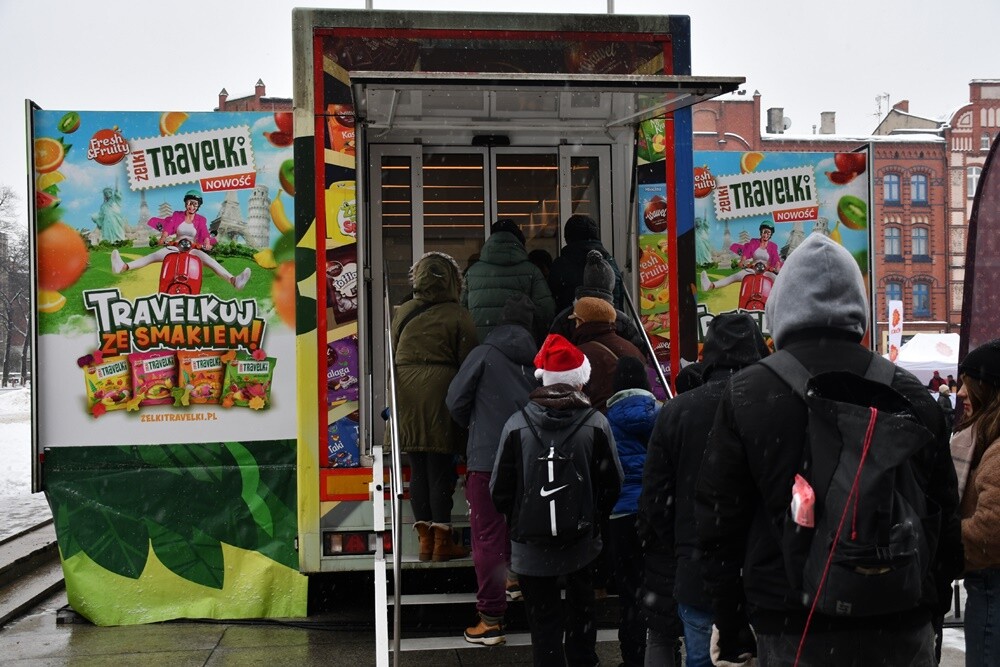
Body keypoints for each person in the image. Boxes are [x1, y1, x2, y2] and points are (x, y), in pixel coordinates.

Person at [695, 234, 963, 666]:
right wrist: (930, 609)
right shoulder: (910, 393)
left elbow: (717, 523)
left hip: (791, 623)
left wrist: (730, 621)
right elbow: (944, 516)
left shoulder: (748, 393)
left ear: (780, 305)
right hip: (897, 618)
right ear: (857, 306)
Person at [639, 313, 766, 667]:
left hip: (699, 573)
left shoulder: (677, 412)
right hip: (765, 575)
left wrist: (681, 547)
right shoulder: (774, 403)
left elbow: (654, 500)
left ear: (708, 353)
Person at [490, 333, 623, 667]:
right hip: (581, 544)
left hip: (531, 547)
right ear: (580, 380)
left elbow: (499, 490)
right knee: (582, 617)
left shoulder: (517, 424)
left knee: (544, 625)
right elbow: (612, 483)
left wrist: (521, 520)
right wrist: (593, 519)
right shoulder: (595, 423)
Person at [446, 294, 540, 646]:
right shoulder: (537, 362)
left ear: (500, 322)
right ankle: (515, 578)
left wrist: (475, 425)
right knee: (519, 530)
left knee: (487, 538)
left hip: (486, 460)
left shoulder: (483, 355)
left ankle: (490, 619)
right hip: (528, 459)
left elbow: (455, 400)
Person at [392, 252, 477, 563]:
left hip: (406, 392)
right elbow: (468, 362)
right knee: (441, 469)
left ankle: (425, 541)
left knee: (417, 468)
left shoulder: (404, 311)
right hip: (442, 392)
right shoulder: (459, 315)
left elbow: (394, 346)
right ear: (454, 280)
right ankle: (443, 541)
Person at [604, 356, 659, 667]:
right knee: (661, 584)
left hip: (622, 512)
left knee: (629, 592)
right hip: (656, 510)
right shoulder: (663, 414)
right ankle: (667, 652)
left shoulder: (606, 421)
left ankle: (634, 657)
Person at [950, 339, 1000, 666]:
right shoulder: (984, 439)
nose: (960, 393)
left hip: (992, 586)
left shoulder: (996, 452)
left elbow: (991, 529)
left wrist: (944, 535)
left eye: (969, 385)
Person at [111, 190, 251, 290]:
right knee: (152, 256)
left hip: (193, 249)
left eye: (195, 204)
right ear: (186, 203)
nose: (192, 206)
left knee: (211, 262)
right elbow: (169, 226)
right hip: (175, 246)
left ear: (198, 206)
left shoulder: (200, 219)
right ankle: (123, 267)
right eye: (190, 203)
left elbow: (204, 233)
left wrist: (207, 244)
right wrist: (164, 238)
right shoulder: (177, 215)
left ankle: (233, 280)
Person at [461, 219, 555, 343]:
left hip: (482, 347)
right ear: (518, 239)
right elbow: (546, 312)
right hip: (520, 346)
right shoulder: (531, 271)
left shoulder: (472, 273)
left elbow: (462, 312)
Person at [549, 250, 648, 353]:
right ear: (611, 287)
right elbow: (640, 355)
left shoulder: (565, 319)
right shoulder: (621, 320)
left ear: (585, 281)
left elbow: (549, 355)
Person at [569, 296, 647, 414]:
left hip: (598, 424)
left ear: (581, 321)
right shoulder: (632, 348)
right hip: (636, 416)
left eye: (576, 321)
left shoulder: (579, 355)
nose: (575, 326)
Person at [548, 214, 624, 312]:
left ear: (568, 238)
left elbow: (553, 299)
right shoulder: (608, 262)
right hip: (610, 322)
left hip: (573, 323)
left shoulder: (561, 265)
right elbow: (618, 299)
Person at [700, 221, 782, 292]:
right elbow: (747, 252)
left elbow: (776, 259)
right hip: (753, 269)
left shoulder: (773, 246)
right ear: (761, 232)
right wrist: (742, 261)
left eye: (768, 233)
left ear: (771, 234)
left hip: (766, 271)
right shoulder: (754, 242)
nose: (766, 234)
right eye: (764, 232)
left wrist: (776, 268)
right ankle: (711, 285)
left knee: (779, 282)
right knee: (734, 277)